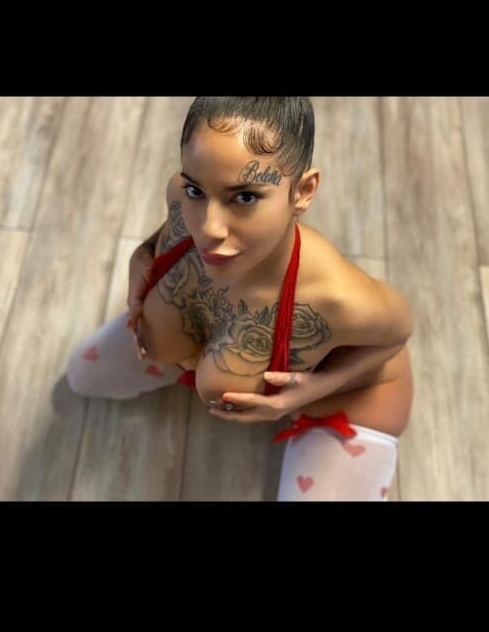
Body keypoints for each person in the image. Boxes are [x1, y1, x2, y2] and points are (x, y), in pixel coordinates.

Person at [67, 97, 414, 501]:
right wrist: (140, 263)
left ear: (303, 192)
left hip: (349, 397)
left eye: (244, 197)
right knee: (82, 375)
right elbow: (160, 239)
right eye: (197, 189)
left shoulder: (338, 298)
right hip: (219, 345)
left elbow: (397, 336)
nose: (209, 229)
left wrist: (305, 392)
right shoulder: (181, 198)